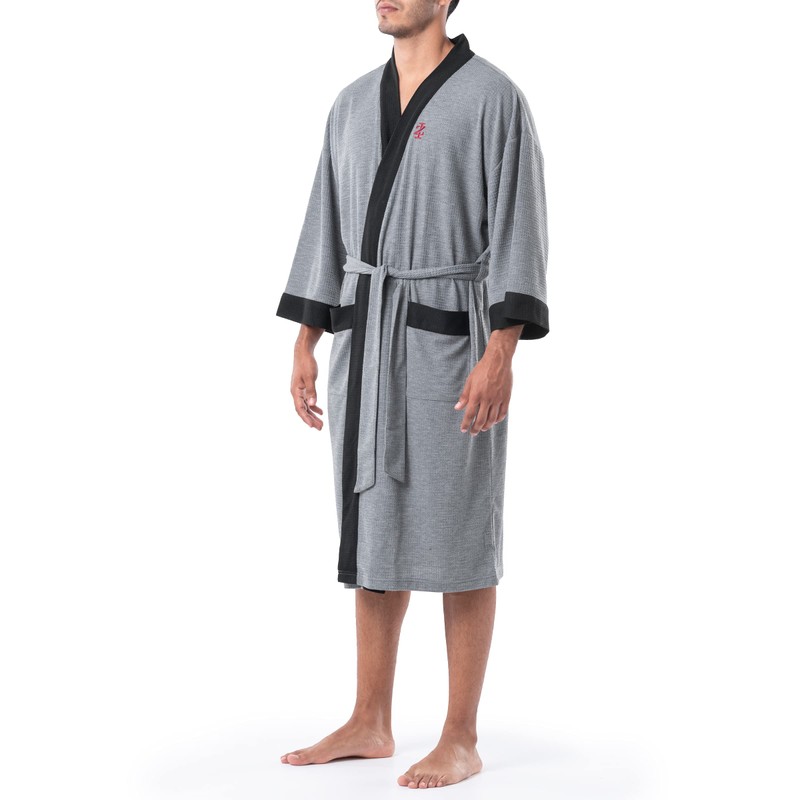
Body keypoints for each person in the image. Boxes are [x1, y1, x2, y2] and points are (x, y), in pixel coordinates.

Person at [275, 0, 549, 789]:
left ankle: (461, 736)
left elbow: (520, 225)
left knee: (460, 528)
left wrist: (501, 350)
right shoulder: (351, 103)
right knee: (373, 526)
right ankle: (370, 718)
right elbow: (325, 220)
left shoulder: (493, 98)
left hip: (453, 341)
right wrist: (306, 336)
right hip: (364, 339)